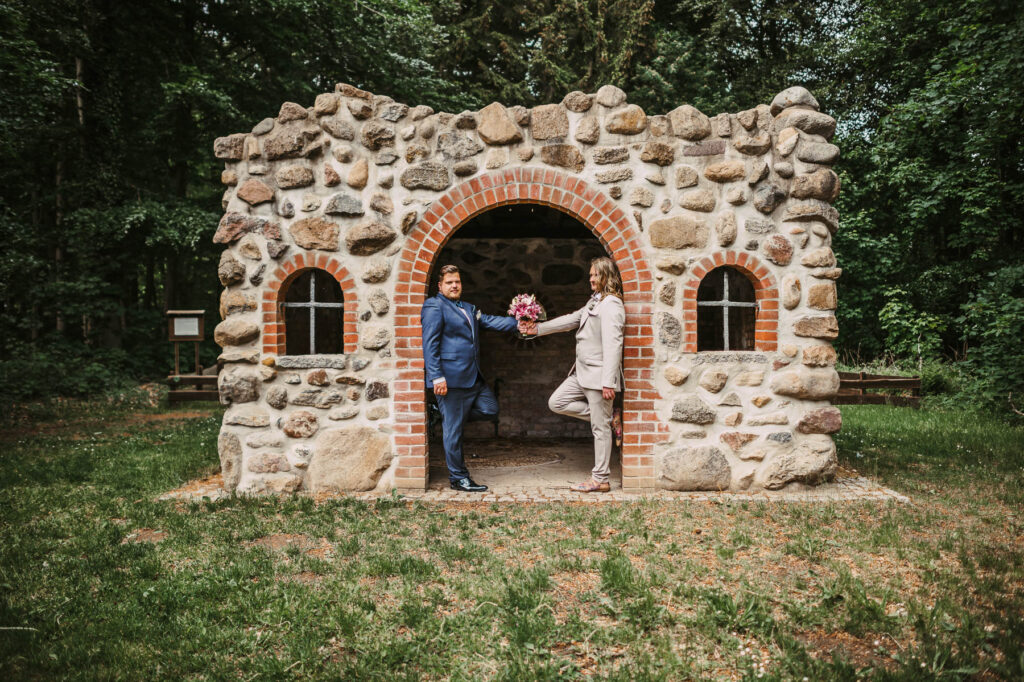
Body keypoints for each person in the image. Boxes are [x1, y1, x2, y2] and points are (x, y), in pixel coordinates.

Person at [522, 257, 625, 493]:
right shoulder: (595, 301)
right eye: (590, 274)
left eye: (595, 275)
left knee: (599, 430)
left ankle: (600, 479)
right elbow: (571, 320)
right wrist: (536, 329)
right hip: (581, 373)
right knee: (557, 402)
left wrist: (609, 381)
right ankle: (612, 418)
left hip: (599, 378)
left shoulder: (612, 305)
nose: (590, 278)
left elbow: (614, 344)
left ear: (606, 276)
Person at [421, 265, 519, 492]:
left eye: (457, 281)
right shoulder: (434, 306)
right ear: (440, 286)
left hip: (473, 376)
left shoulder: (467, 307)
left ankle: (443, 414)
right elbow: (430, 344)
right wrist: (436, 377)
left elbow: (490, 321)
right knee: (453, 432)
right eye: (449, 282)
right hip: (450, 380)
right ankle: (458, 478)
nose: (454, 285)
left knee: (490, 409)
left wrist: (518, 323)